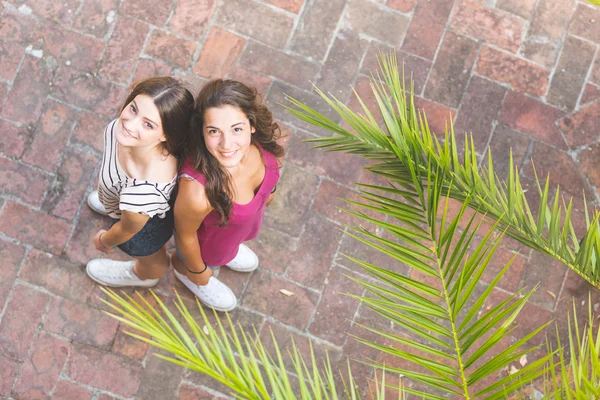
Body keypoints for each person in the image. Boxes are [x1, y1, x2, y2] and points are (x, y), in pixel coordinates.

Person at [171, 79, 284, 312]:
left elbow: (269, 180)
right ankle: (189, 278)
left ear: (252, 125)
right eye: (214, 131)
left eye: (236, 129)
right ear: (202, 132)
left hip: (234, 230)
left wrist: (268, 194)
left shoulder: (260, 143)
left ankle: (231, 249)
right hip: (207, 247)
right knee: (188, 264)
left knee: (233, 240)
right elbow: (185, 236)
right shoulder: (197, 192)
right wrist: (198, 271)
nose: (226, 144)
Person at [85, 77, 194, 288]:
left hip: (144, 225)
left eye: (148, 124)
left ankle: (143, 276)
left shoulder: (144, 194)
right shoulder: (121, 130)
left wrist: (104, 240)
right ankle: (114, 205)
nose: (129, 124)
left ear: (165, 135)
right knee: (119, 205)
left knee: (150, 257)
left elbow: (126, 229)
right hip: (124, 200)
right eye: (134, 109)